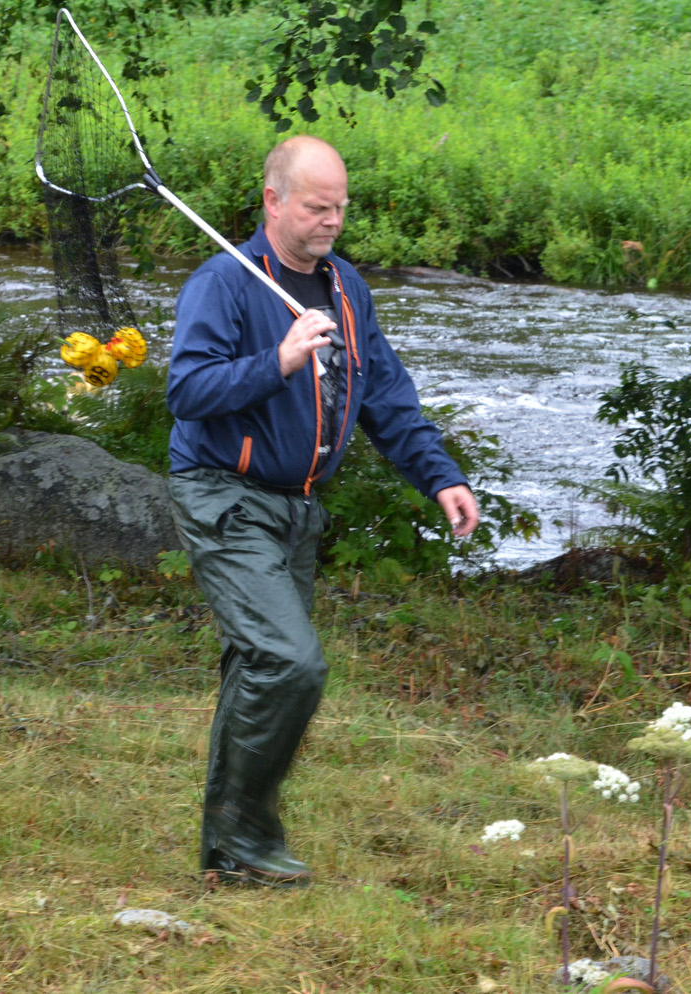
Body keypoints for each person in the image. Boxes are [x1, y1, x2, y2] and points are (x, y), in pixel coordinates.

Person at [165, 135, 480, 887]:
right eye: (316, 206)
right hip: (223, 495)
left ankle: (231, 849)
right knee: (289, 662)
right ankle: (247, 837)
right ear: (274, 201)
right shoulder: (225, 282)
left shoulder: (346, 290)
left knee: (259, 669)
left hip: (297, 510)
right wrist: (277, 361)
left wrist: (440, 478)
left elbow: (387, 396)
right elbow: (187, 392)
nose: (332, 220)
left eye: (340, 207)